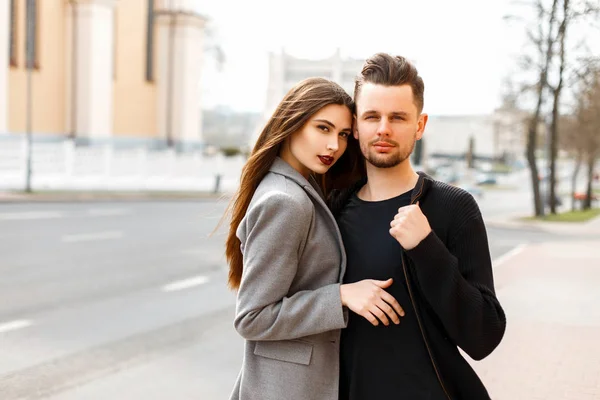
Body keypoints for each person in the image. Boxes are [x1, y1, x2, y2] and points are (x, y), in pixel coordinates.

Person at [330, 54, 507, 400]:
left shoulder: (454, 208)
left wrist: (427, 248)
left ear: (420, 125)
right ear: (355, 125)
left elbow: (484, 336)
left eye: (397, 117)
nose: (383, 128)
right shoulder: (332, 209)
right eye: (372, 116)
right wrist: (338, 296)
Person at [224, 77, 405, 400]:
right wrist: (341, 296)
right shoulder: (285, 202)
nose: (334, 146)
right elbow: (252, 317)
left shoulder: (299, 189)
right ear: (292, 125)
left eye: (343, 135)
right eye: (323, 128)